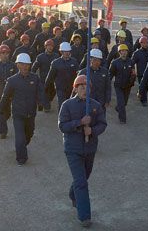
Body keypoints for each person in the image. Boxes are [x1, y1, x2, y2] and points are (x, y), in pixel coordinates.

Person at [59, 74, 108, 228]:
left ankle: (73, 194)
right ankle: (84, 216)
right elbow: (62, 126)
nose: (84, 90)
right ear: (75, 88)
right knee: (81, 183)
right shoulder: (67, 105)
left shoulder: (95, 105)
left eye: (87, 87)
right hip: (72, 149)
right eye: (81, 87)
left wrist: (92, 130)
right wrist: (79, 122)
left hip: (90, 148)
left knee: (83, 178)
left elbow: (103, 124)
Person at [1, 53, 46, 165]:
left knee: (29, 134)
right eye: (22, 64)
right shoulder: (12, 80)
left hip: (31, 113)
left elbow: (40, 92)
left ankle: (21, 147)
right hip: (18, 114)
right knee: (20, 138)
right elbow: (5, 96)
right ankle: (21, 158)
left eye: (27, 64)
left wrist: (42, 102)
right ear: (18, 65)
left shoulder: (35, 78)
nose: (25, 67)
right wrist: (1, 109)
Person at [46, 41, 79, 108]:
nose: (67, 53)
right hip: (60, 88)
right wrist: (45, 87)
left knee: (71, 105)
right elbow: (50, 76)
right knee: (62, 105)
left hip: (71, 88)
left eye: (68, 51)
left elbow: (78, 75)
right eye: (65, 51)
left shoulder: (74, 61)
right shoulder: (55, 63)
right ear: (61, 52)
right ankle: (61, 118)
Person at [108, 44, 135, 124]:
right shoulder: (115, 62)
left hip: (128, 86)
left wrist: (132, 80)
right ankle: (122, 119)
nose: (124, 52)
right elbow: (110, 74)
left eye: (125, 51)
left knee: (124, 103)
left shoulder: (131, 61)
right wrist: (107, 82)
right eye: (122, 51)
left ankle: (118, 108)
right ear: (119, 52)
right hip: (118, 86)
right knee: (121, 102)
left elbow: (133, 73)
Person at [31, 39, 58, 111]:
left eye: (51, 46)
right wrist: (31, 75)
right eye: (48, 46)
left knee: (52, 93)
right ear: (45, 47)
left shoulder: (56, 56)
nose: (50, 47)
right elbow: (34, 67)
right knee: (45, 92)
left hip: (53, 79)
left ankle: (46, 101)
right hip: (44, 79)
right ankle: (46, 106)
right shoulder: (40, 57)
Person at [131, 37, 148, 106]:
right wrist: (132, 70)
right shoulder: (137, 53)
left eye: (146, 43)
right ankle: (143, 100)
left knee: (147, 86)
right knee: (143, 86)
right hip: (140, 73)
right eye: (143, 43)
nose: (145, 44)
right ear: (140, 44)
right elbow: (132, 62)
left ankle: (140, 92)